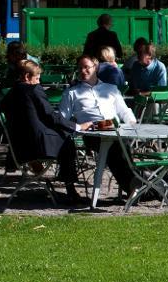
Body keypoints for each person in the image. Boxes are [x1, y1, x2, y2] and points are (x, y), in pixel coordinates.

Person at [0, 60, 82, 203]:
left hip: (18, 147)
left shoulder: (10, 94)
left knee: (62, 137)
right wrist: (76, 126)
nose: (38, 82)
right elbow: (50, 116)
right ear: (27, 76)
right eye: (37, 78)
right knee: (67, 140)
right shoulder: (34, 89)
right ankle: (70, 187)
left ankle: (60, 183)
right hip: (38, 146)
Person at [58, 55, 137, 196]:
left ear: (96, 68)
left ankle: (134, 187)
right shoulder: (72, 93)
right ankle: (135, 185)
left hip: (114, 130)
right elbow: (62, 119)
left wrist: (131, 123)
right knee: (116, 147)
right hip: (92, 134)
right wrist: (79, 127)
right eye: (80, 68)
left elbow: (124, 111)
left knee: (119, 144)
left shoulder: (110, 88)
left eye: (86, 67)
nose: (83, 71)